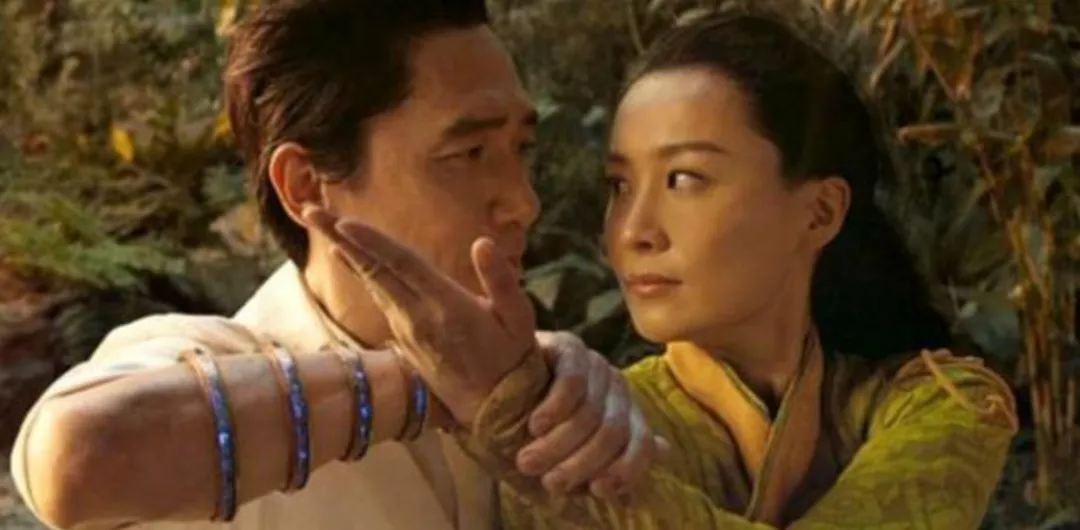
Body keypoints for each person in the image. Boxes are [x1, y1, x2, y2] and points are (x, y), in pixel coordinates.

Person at [311, 11, 1021, 530]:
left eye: (684, 179)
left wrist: (520, 423)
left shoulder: (947, 403)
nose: (632, 231)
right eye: (620, 187)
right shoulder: (595, 416)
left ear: (819, 212)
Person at [8, 1, 667, 529]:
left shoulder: (540, 382)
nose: (524, 202)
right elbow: (79, 456)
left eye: (520, 148)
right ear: (307, 186)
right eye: (468, 154)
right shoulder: (205, 361)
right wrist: (439, 389)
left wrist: (536, 395)